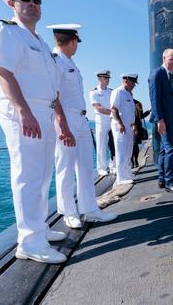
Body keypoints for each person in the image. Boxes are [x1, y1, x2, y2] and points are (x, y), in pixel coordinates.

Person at [0, 0, 74, 264]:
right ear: (11, 3)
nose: (32, 3)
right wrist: (24, 111)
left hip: (45, 111)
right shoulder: (6, 32)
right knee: (27, 176)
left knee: (42, 175)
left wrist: (59, 118)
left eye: (36, 0)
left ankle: (39, 229)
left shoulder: (38, 42)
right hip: (23, 111)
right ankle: (30, 243)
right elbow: (2, 72)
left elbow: (52, 88)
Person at [47, 24, 117, 229]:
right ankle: (68, 212)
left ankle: (90, 209)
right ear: (73, 41)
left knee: (86, 167)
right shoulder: (54, 61)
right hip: (65, 119)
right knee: (65, 168)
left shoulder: (70, 62)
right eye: (77, 42)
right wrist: (61, 123)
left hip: (81, 120)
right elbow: (53, 95)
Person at [149, 48, 173, 190]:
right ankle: (169, 181)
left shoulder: (172, 78)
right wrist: (159, 120)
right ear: (163, 58)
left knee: (163, 149)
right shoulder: (157, 74)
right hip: (164, 119)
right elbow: (154, 99)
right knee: (171, 149)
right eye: (171, 60)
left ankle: (162, 178)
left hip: (172, 118)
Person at [111, 73, 138, 185]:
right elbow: (114, 109)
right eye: (132, 83)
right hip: (120, 126)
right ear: (126, 80)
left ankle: (127, 173)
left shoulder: (128, 94)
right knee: (121, 151)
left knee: (128, 151)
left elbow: (131, 112)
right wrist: (120, 123)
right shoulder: (118, 92)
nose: (134, 85)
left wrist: (133, 125)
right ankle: (121, 178)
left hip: (129, 126)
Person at [89, 70, 116, 176]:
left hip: (112, 120)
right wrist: (113, 112)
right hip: (101, 120)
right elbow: (98, 107)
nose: (107, 80)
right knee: (101, 144)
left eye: (108, 78)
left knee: (113, 144)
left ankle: (113, 165)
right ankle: (101, 168)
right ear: (99, 79)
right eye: (105, 78)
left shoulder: (111, 91)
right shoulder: (94, 92)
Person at [131, 99, 150, 169]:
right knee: (130, 145)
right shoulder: (124, 102)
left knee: (135, 144)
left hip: (137, 127)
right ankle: (132, 162)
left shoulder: (138, 103)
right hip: (128, 126)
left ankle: (135, 160)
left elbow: (141, 116)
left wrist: (148, 112)